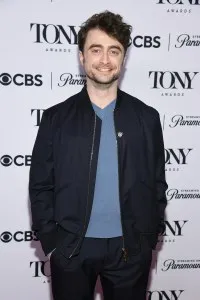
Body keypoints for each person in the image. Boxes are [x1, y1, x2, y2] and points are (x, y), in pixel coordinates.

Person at [29, 10, 168, 300]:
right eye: (96, 49)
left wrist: (148, 239)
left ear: (124, 58)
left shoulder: (147, 118)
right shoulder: (56, 118)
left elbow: (158, 182)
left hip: (130, 251)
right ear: (82, 56)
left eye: (113, 50)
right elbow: (41, 184)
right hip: (71, 250)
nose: (105, 60)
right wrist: (53, 241)